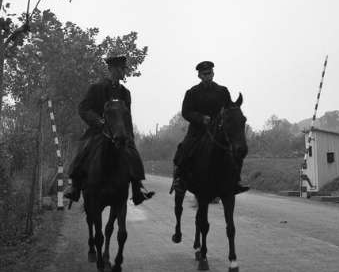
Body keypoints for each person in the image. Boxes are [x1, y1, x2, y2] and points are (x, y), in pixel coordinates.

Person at [64, 54, 154, 205]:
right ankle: (75, 186)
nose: (123, 72)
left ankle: (137, 188)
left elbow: (127, 117)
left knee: (133, 155)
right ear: (112, 69)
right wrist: (98, 121)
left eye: (124, 69)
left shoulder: (125, 93)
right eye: (121, 69)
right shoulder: (96, 88)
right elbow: (83, 109)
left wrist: (130, 137)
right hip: (98, 131)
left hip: (120, 133)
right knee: (82, 150)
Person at [171, 61, 249, 194]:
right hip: (198, 130)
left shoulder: (223, 91)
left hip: (219, 129)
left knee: (236, 149)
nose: (207, 76)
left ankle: (236, 181)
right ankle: (179, 179)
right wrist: (201, 118)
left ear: (213, 74)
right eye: (204, 74)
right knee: (184, 149)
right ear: (199, 76)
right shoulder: (192, 92)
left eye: (209, 73)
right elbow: (186, 112)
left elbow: (229, 108)